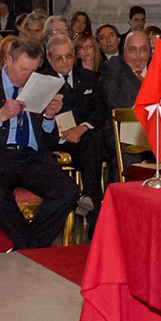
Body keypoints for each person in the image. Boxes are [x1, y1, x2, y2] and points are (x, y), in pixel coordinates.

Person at [0, 39, 82, 248]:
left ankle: (26, 246)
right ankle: (32, 247)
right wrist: (0, 115)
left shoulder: (41, 86)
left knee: (68, 191)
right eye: (23, 69)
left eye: (33, 70)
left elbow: (49, 143)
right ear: (8, 60)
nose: (28, 76)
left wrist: (49, 117)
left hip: (32, 158)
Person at [44, 35, 108, 207]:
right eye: (59, 58)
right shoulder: (41, 81)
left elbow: (100, 110)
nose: (65, 62)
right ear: (49, 58)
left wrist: (82, 128)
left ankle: (91, 198)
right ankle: (93, 201)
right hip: (55, 139)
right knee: (92, 145)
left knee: (94, 138)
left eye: (69, 56)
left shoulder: (90, 78)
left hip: (84, 137)